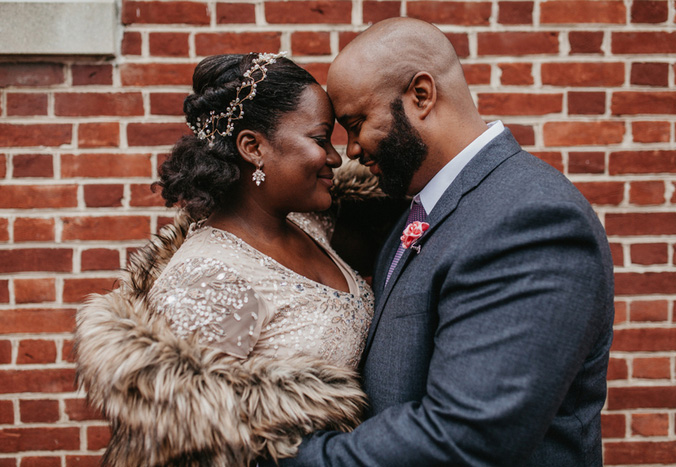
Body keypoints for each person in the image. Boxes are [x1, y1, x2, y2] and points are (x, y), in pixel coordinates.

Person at [276, 17, 615, 466]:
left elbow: (466, 436)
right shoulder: (418, 207)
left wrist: (283, 458)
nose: (352, 150)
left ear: (421, 95)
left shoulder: (531, 219)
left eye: (357, 123)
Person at [75, 52, 380, 466]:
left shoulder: (310, 226)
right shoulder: (209, 278)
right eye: (320, 138)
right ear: (253, 147)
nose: (335, 157)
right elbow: (181, 444)